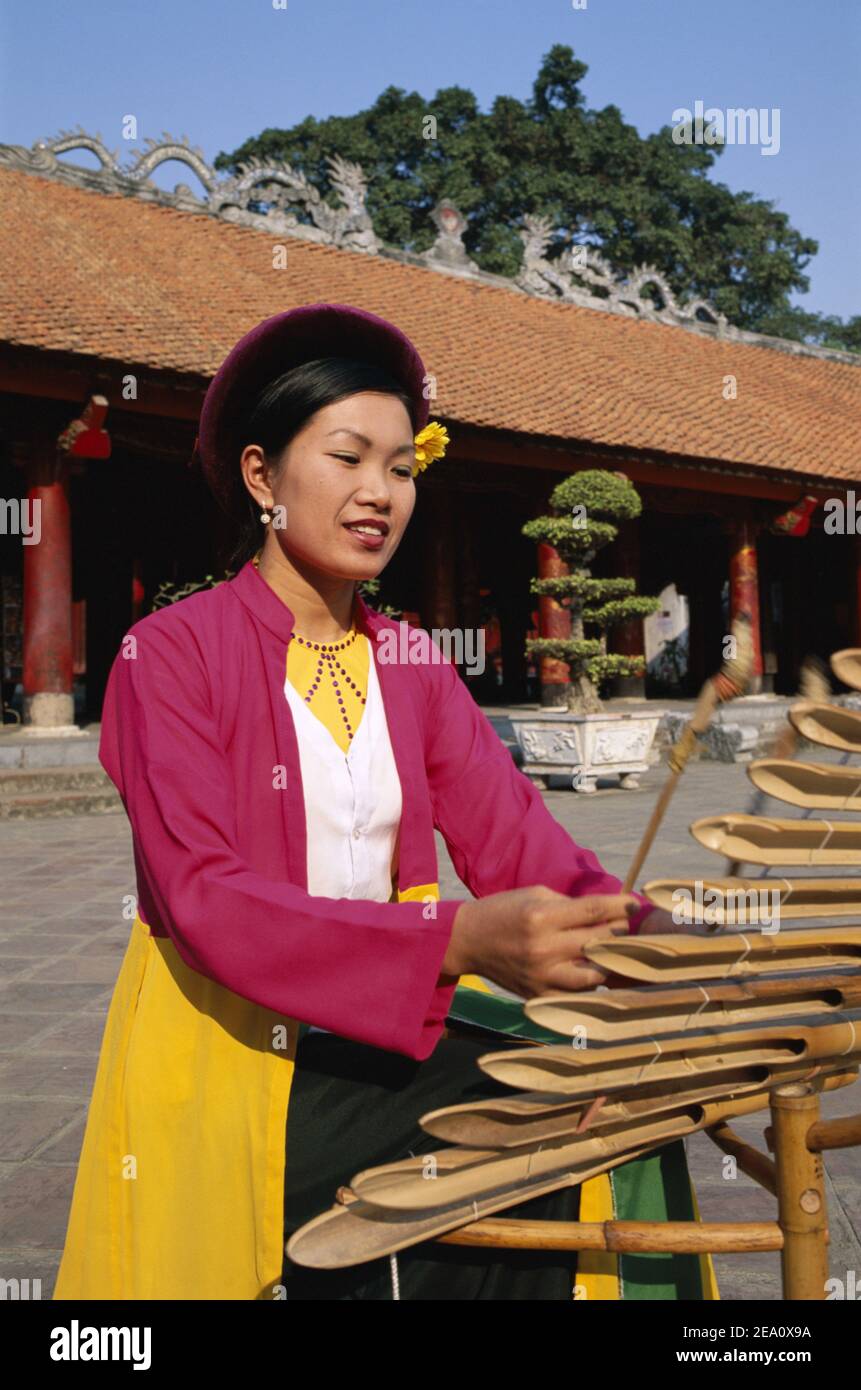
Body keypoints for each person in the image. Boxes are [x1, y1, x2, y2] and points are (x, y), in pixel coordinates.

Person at [53, 302, 717, 1301]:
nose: (379, 493)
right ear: (262, 476)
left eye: (402, 468)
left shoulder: (409, 661)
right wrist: (455, 940)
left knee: (617, 1093)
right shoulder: (172, 654)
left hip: (387, 1023)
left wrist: (652, 941)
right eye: (348, 457)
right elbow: (206, 902)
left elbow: (521, 844)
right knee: (536, 1113)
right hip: (230, 1045)